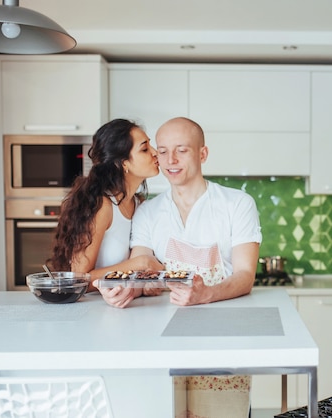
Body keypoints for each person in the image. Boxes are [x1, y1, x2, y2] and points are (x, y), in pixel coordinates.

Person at [95, 116, 262, 418]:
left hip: (221, 343)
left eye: (182, 150)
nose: (170, 160)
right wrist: (124, 292)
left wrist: (205, 294)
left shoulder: (237, 204)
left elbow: (245, 276)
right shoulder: (148, 212)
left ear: (202, 154)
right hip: (159, 343)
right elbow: (142, 274)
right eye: (162, 150)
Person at [48, 118, 163, 290]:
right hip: (92, 308)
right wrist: (138, 263)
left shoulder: (139, 204)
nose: (155, 153)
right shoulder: (103, 206)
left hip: (124, 305)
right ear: (123, 163)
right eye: (145, 149)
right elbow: (78, 280)